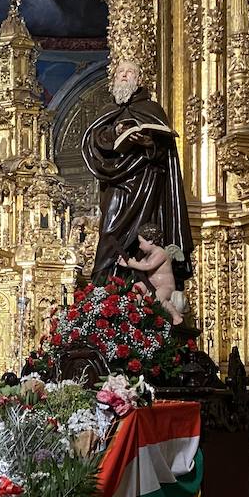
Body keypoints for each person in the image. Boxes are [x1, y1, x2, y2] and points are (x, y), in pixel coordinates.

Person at [82, 59, 194, 287]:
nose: (124, 75)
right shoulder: (106, 111)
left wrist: (147, 142)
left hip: (146, 183)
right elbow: (94, 142)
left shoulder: (152, 109)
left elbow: (164, 150)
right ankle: (103, 288)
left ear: (139, 79)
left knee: (143, 235)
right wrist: (115, 132)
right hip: (116, 183)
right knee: (110, 232)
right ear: (114, 79)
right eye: (120, 72)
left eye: (130, 72)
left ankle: (136, 288)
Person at [116, 224, 186, 324]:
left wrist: (132, 263)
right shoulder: (149, 255)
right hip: (151, 285)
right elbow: (140, 264)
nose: (139, 246)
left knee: (159, 297)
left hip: (165, 287)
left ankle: (176, 316)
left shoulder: (161, 253)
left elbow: (148, 266)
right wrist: (128, 264)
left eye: (141, 243)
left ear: (150, 241)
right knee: (137, 287)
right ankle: (136, 311)